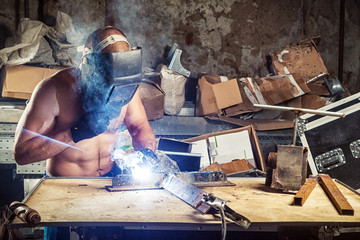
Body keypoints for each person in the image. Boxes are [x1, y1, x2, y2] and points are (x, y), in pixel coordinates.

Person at [13, 26, 156, 177]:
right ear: (88, 63)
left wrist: (146, 152)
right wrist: (75, 133)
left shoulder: (125, 85)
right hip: (65, 185)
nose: (112, 89)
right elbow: (21, 154)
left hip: (108, 180)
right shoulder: (53, 90)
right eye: (106, 79)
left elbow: (139, 127)